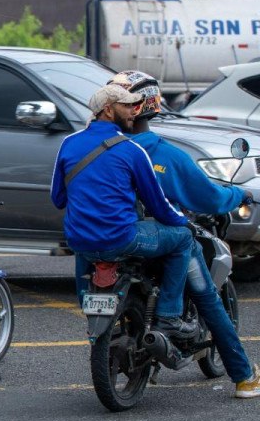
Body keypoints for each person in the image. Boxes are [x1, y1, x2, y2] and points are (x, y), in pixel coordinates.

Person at [113, 70, 260, 397]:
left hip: (110, 238)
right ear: (151, 105)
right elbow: (208, 197)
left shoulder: (103, 149)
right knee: (207, 297)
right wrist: (239, 195)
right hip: (158, 237)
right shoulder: (165, 155)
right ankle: (244, 376)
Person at [50, 83, 198, 342]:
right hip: (122, 238)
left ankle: (91, 312)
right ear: (108, 110)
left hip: (79, 241)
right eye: (128, 105)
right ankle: (169, 316)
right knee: (183, 240)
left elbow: (58, 199)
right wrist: (183, 222)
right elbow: (158, 205)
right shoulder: (131, 149)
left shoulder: (68, 143)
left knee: (88, 244)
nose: (134, 111)